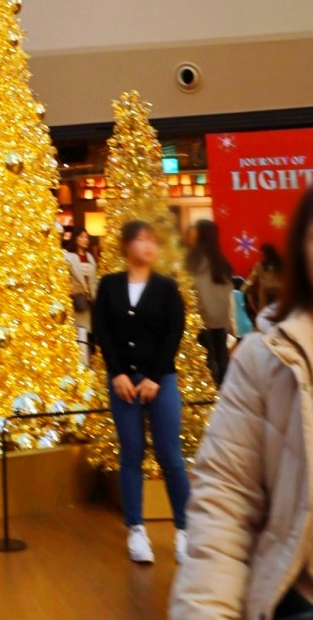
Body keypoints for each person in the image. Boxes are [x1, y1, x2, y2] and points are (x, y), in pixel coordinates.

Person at [170, 185, 313, 620]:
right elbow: (226, 498)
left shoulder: (198, 265)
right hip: (296, 593)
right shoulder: (265, 359)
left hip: (217, 331)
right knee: (219, 360)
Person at [93, 220, 191, 566]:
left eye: (152, 241)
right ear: (126, 246)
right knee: (130, 453)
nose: (147, 246)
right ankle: (136, 528)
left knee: (170, 455)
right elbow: (102, 330)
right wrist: (117, 372)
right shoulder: (110, 285)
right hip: (122, 381)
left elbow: (173, 331)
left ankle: (184, 529)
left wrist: (153, 376)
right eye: (140, 240)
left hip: (160, 380)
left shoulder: (166, 287)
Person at [186, 220, 234, 386]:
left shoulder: (193, 260)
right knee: (221, 357)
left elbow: (189, 289)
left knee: (206, 360)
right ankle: (223, 392)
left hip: (201, 320)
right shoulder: (219, 260)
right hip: (220, 320)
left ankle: (208, 396)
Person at [64, 228, 98, 366]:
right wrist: (73, 289)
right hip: (77, 300)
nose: (86, 240)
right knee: (80, 330)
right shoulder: (68, 257)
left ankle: (89, 361)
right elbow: (66, 278)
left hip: (90, 299)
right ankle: (81, 363)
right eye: (82, 237)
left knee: (90, 330)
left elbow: (93, 279)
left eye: (87, 237)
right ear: (76, 238)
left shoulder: (90, 257)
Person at [245, 242, 284, 319]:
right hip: (280, 293)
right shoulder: (281, 264)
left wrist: (243, 289)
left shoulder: (259, 265)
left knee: (265, 317)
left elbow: (250, 280)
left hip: (265, 294)